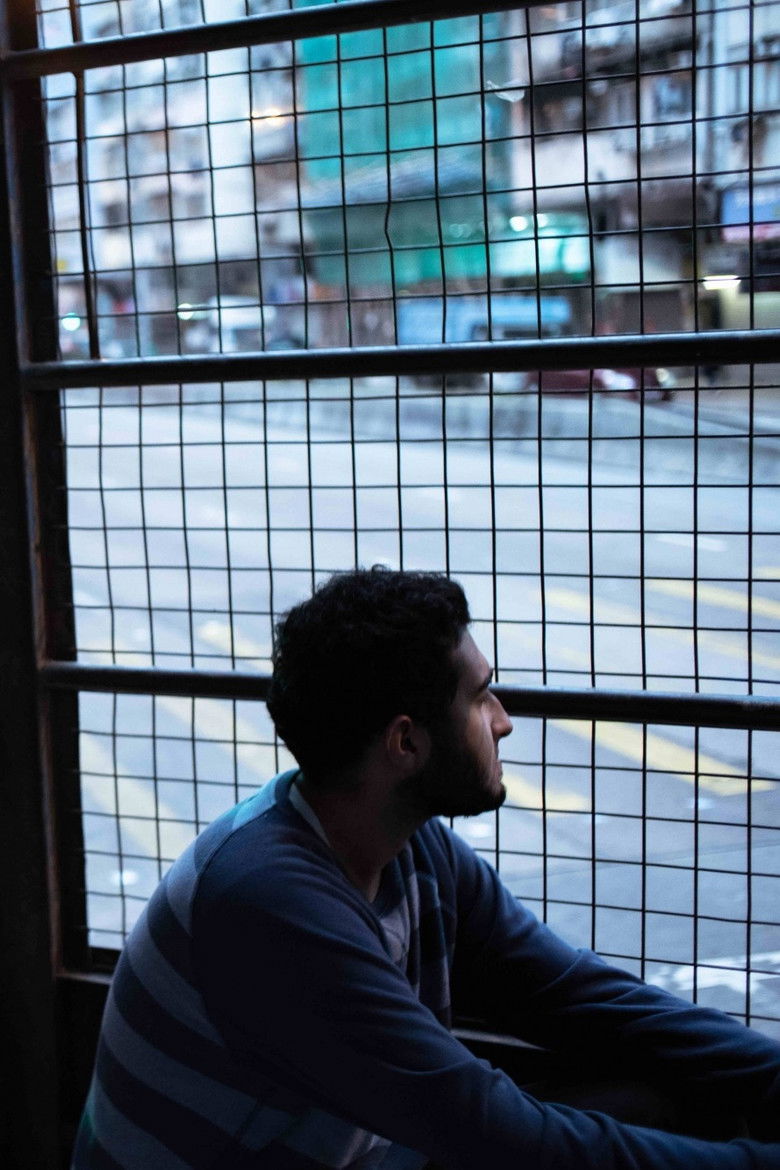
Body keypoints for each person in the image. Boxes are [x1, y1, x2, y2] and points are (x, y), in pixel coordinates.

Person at [73, 568, 780, 1170]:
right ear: (406, 743)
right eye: (479, 697)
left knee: (668, 1100)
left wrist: (769, 1074)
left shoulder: (406, 846)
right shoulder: (269, 902)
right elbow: (485, 1126)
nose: (502, 720)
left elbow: (568, 991)